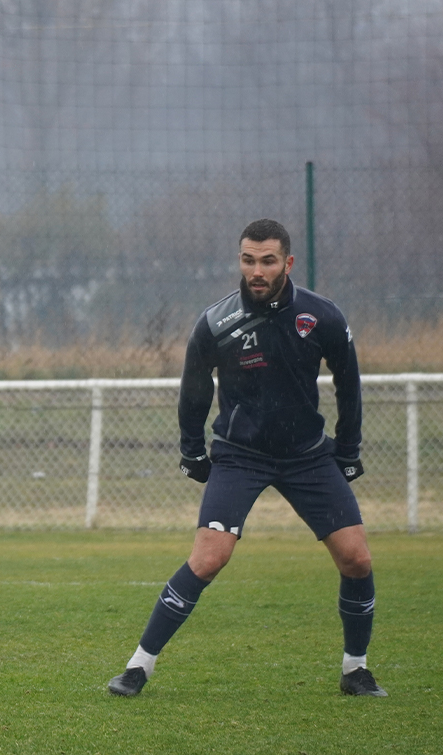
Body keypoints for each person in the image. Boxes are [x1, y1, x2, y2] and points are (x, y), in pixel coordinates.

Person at [107, 218, 386, 698]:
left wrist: (350, 448)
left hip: (308, 456)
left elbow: (349, 384)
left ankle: (356, 671)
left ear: (287, 262)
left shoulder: (322, 317)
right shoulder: (216, 323)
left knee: (357, 559)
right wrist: (192, 450)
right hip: (240, 456)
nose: (257, 270)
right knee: (209, 559)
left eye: (268, 260)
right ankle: (138, 667)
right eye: (248, 260)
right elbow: (193, 392)